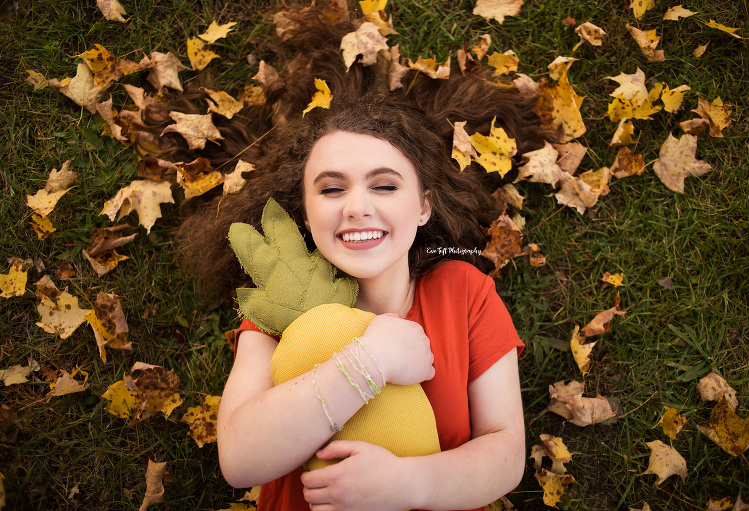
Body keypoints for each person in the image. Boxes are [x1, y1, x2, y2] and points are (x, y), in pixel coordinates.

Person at [142, 5, 551, 510]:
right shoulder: (281, 304)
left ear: (424, 207)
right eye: (332, 189)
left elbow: (506, 453)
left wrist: (405, 484)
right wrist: (368, 362)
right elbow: (240, 461)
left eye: (384, 185)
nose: (358, 207)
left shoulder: (464, 293)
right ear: (306, 214)